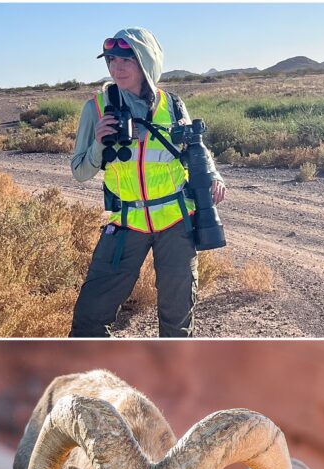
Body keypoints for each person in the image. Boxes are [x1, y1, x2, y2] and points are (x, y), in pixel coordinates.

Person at [69, 27, 227, 338]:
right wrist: (100, 142)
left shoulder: (173, 104)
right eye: (112, 60)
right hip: (127, 222)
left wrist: (214, 175)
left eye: (127, 60)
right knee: (90, 317)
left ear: (146, 61)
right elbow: (80, 172)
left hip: (176, 222)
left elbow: (195, 149)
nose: (117, 67)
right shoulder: (96, 108)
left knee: (177, 319)